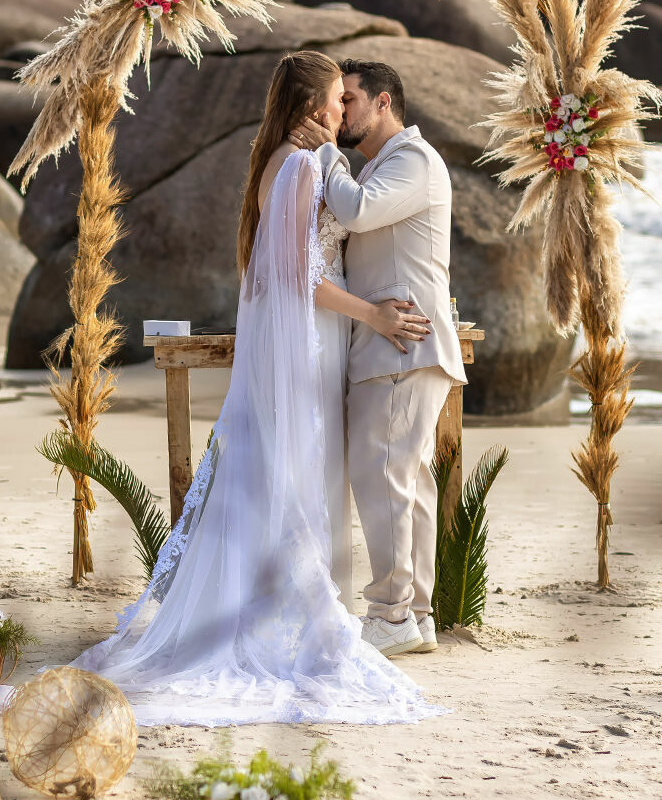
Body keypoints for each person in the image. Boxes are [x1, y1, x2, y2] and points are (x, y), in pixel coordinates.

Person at [70, 51, 442, 727]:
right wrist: (375, 314)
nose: (343, 111)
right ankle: (292, 612)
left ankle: (291, 602)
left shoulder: (280, 163)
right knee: (301, 470)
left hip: (311, 335)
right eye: (336, 99)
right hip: (313, 335)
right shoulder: (301, 165)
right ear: (311, 108)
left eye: (348, 99)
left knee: (294, 468)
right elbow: (299, 276)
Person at [288, 59, 469, 656]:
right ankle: (414, 615)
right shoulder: (386, 166)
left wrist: (325, 155)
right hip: (394, 344)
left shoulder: (411, 160)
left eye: (352, 98)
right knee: (406, 483)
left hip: (402, 345)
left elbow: (357, 212)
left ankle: (391, 615)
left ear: (383, 102)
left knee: (384, 478)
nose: (342, 112)